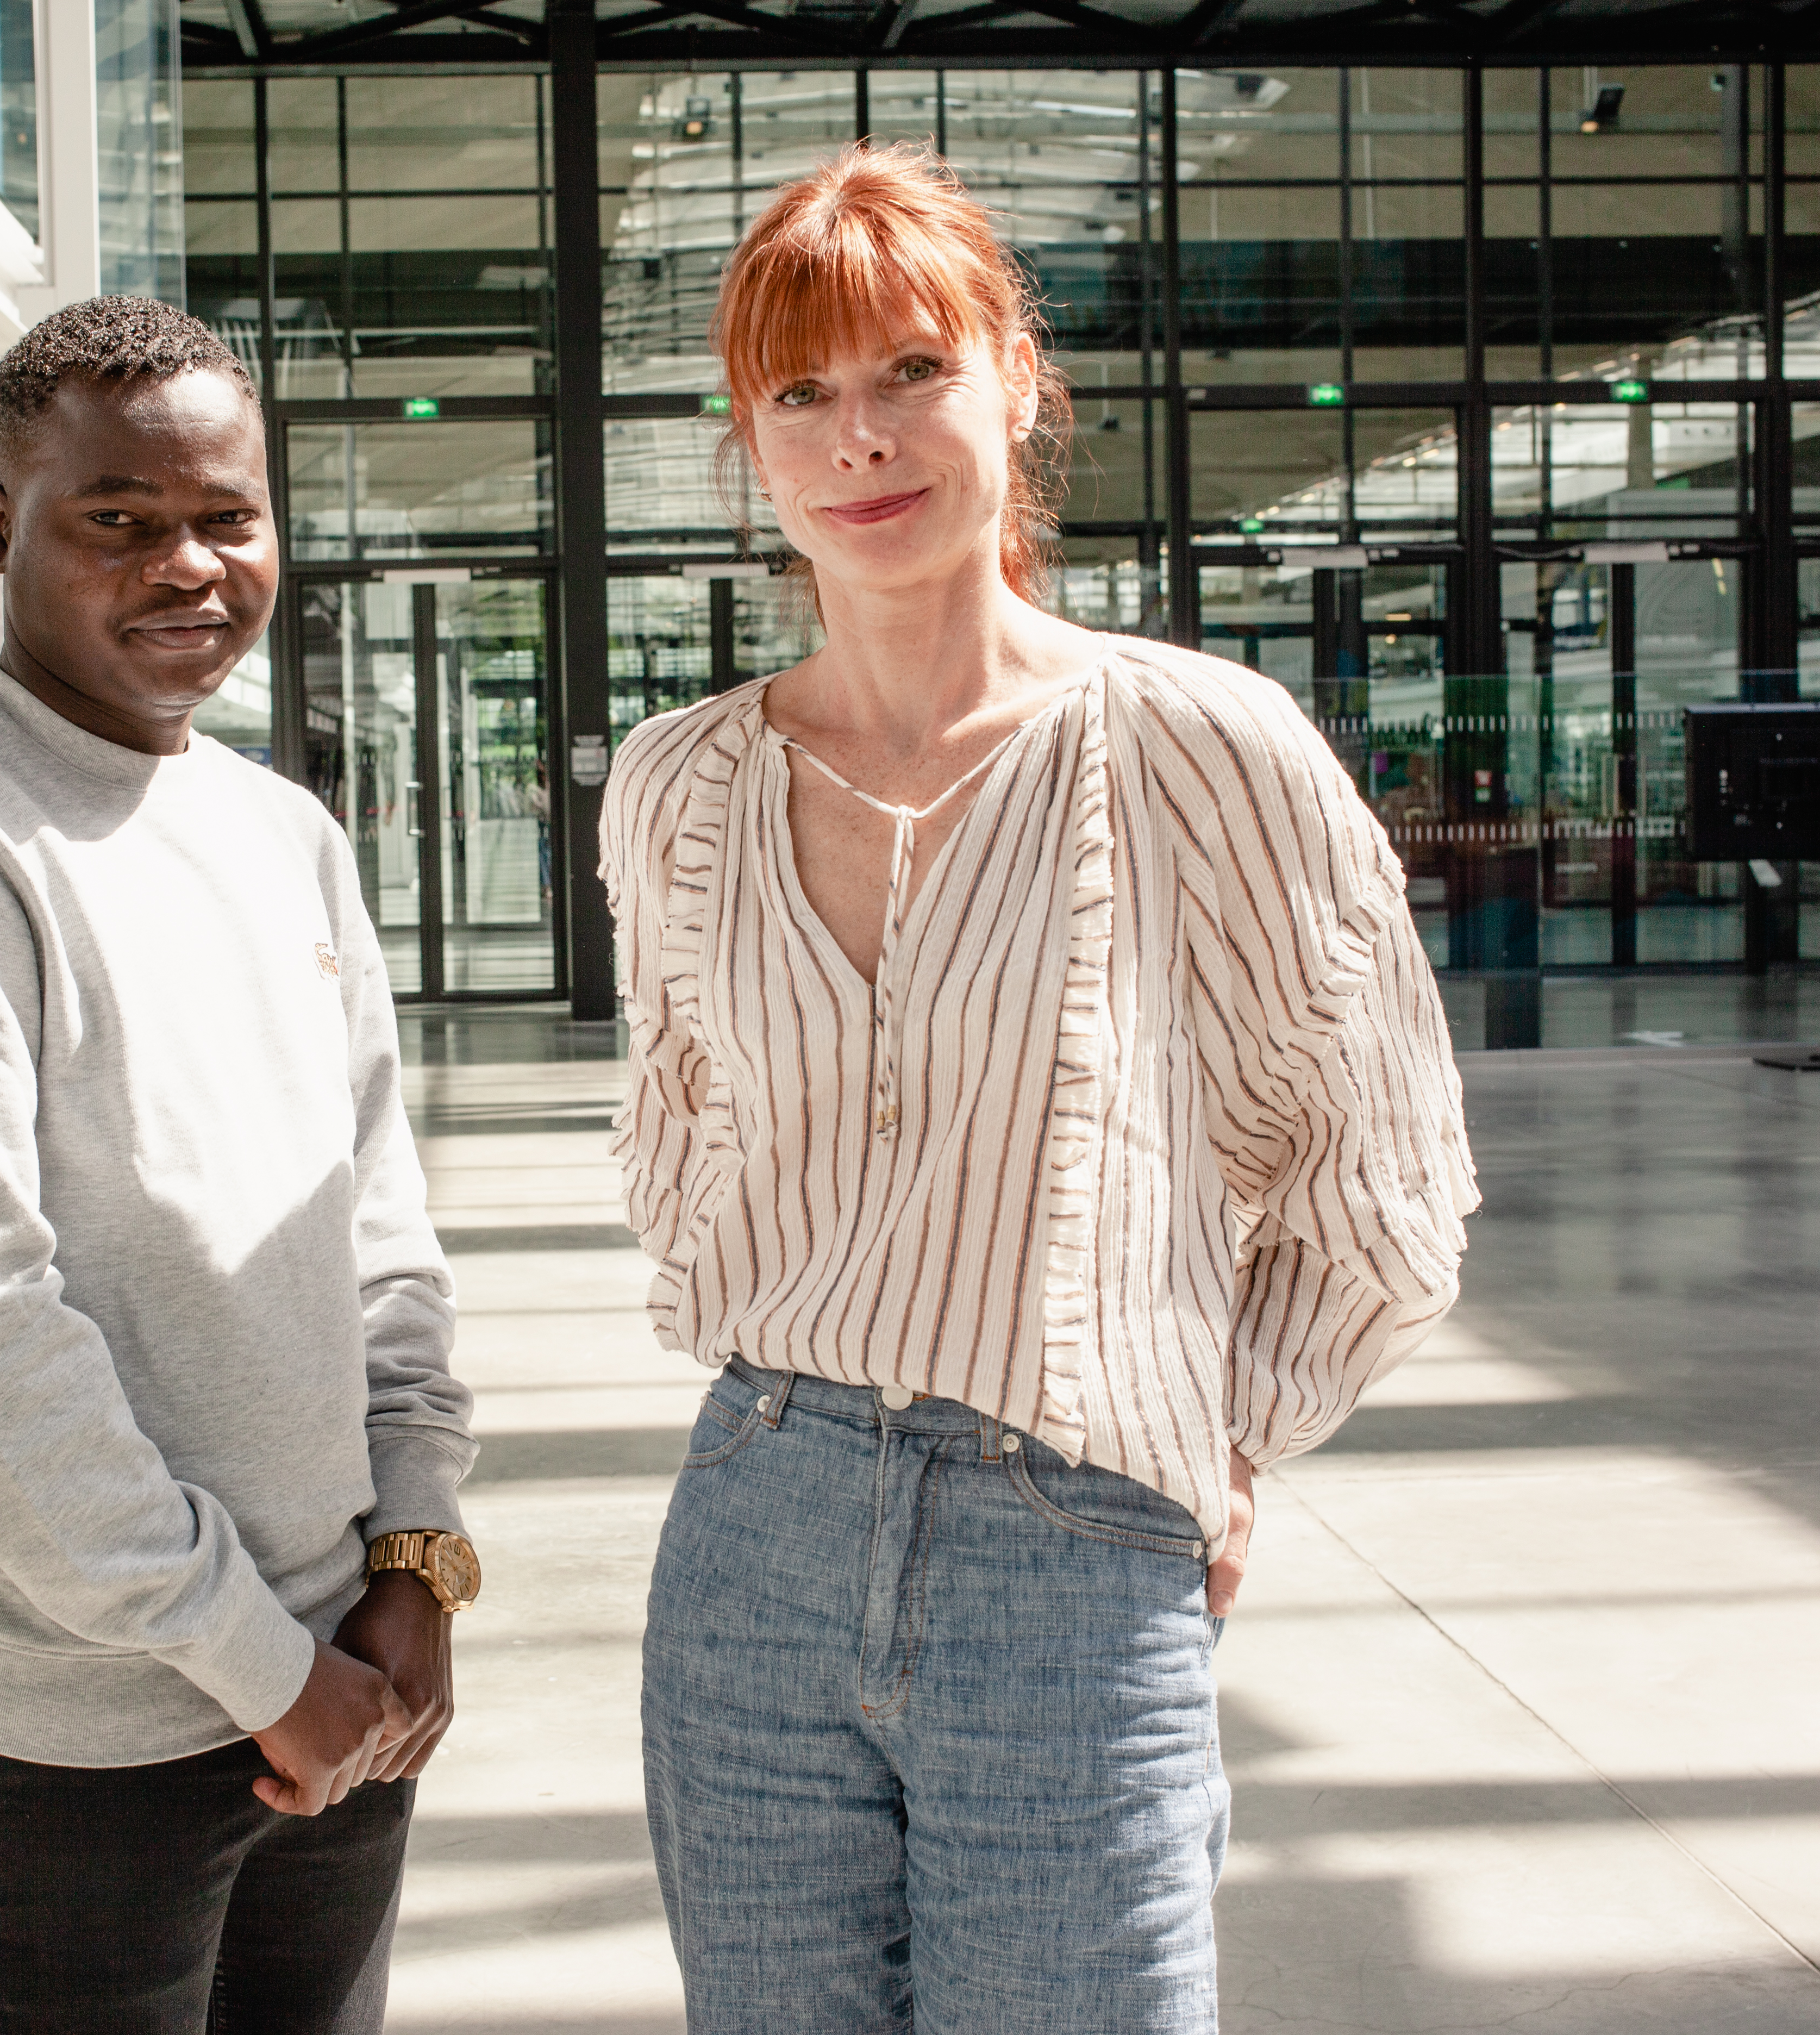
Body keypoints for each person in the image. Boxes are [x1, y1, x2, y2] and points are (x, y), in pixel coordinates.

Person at [601, 144, 1477, 2033]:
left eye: (911, 369)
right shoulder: (678, 786)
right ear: (753, 441)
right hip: (757, 1516)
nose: (863, 438)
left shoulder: (1196, 745)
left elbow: (1380, 1165)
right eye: (803, 394)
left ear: (1013, 376)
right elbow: (676, 1139)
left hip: (1073, 1541)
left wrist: (1224, 1426)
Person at [0, 296, 483, 2035]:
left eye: (228, 516)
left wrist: (417, 1555)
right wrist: (250, 1660)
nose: (190, 566)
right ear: (1, 530)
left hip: (343, 1675)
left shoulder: (281, 832)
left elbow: (377, 1234)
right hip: (72, 1729)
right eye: (119, 520)